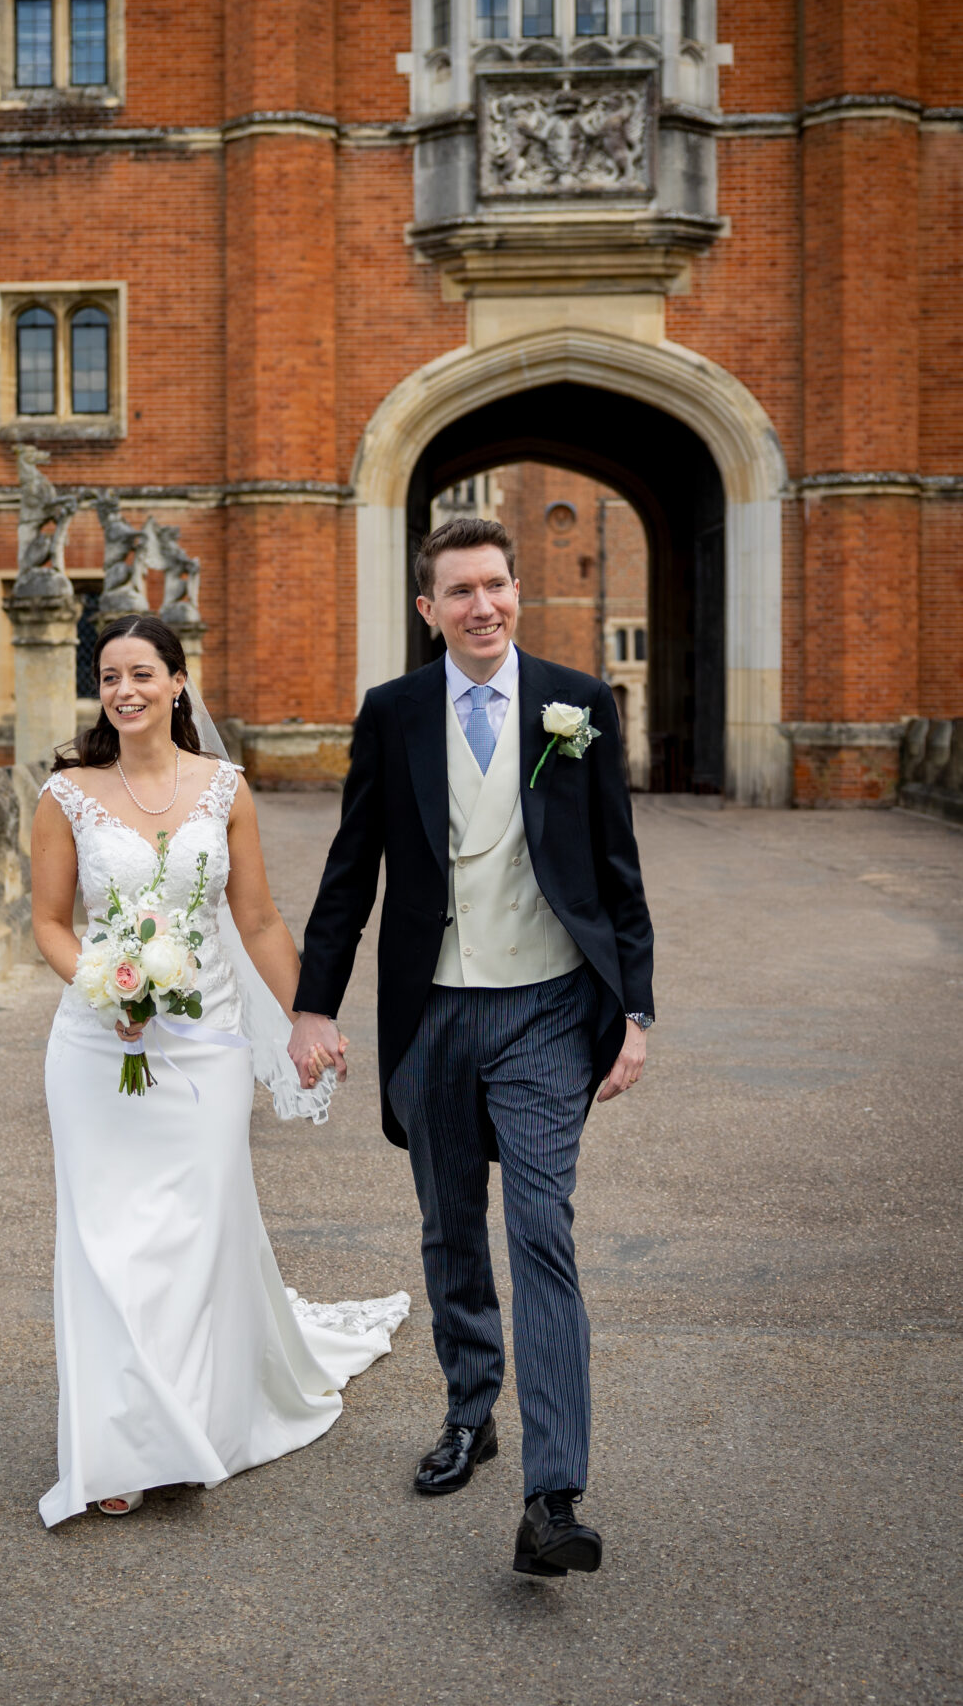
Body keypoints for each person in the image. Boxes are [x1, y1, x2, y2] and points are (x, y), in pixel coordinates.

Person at [289, 517, 655, 1579]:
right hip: (433, 1012)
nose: (482, 604)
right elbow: (351, 871)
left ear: (515, 593)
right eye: (459, 591)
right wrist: (316, 1004)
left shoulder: (579, 703)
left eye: (496, 584)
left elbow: (616, 872)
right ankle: (467, 1409)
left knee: (540, 1229)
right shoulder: (394, 712)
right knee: (450, 1225)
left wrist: (635, 1010)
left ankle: (553, 1495)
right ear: (428, 609)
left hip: (547, 1009)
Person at [30, 613, 407, 1523]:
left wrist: (305, 1018)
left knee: (189, 1235)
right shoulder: (66, 794)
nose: (124, 690)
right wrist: (104, 984)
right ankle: (118, 1443)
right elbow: (47, 922)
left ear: (178, 682)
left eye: (141, 674)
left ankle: (188, 1418)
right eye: (108, 676)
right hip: (98, 1045)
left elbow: (260, 922)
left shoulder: (224, 789)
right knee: (105, 1242)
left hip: (205, 1046)